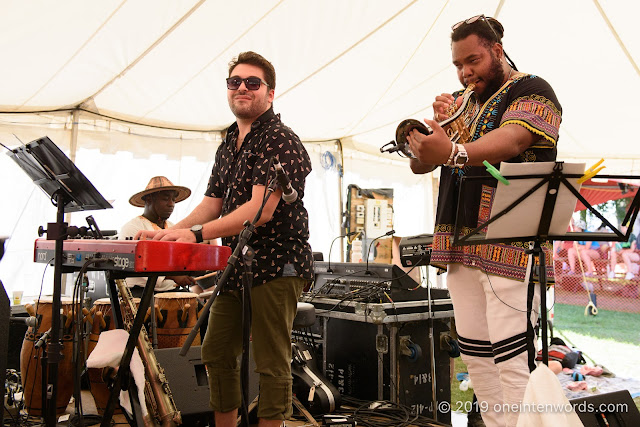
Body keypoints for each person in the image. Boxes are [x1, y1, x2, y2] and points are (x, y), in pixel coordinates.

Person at [136, 51, 313, 427]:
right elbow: (212, 203)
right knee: (216, 352)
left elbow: (259, 210)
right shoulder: (230, 140)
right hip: (236, 263)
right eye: (235, 82)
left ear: (271, 92)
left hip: (278, 264)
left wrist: (195, 234)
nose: (242, 88)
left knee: (270, 361)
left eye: (252, 82)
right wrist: (173, 234)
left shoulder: (280, 139)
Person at [407, 15, 562, 427]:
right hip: (460, 246)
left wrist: (453, 150)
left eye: (472, 60)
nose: (465, 72)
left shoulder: (533, 90)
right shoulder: (465, 103)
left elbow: (513, 139)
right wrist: (429, 136)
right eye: (458, 65)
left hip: (509, 244)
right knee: (476, 360)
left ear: (496, 49)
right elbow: (422, 167)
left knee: (512, 360)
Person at [119, 176, 197, 296]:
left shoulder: (173, 227)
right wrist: (174, 276)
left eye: (173, 199)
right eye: (166, 199)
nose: (171, 204)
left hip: (169, 290)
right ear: (149, 199)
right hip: (140, 292)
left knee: (203, 310)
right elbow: (138, 264)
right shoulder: (133, 228)